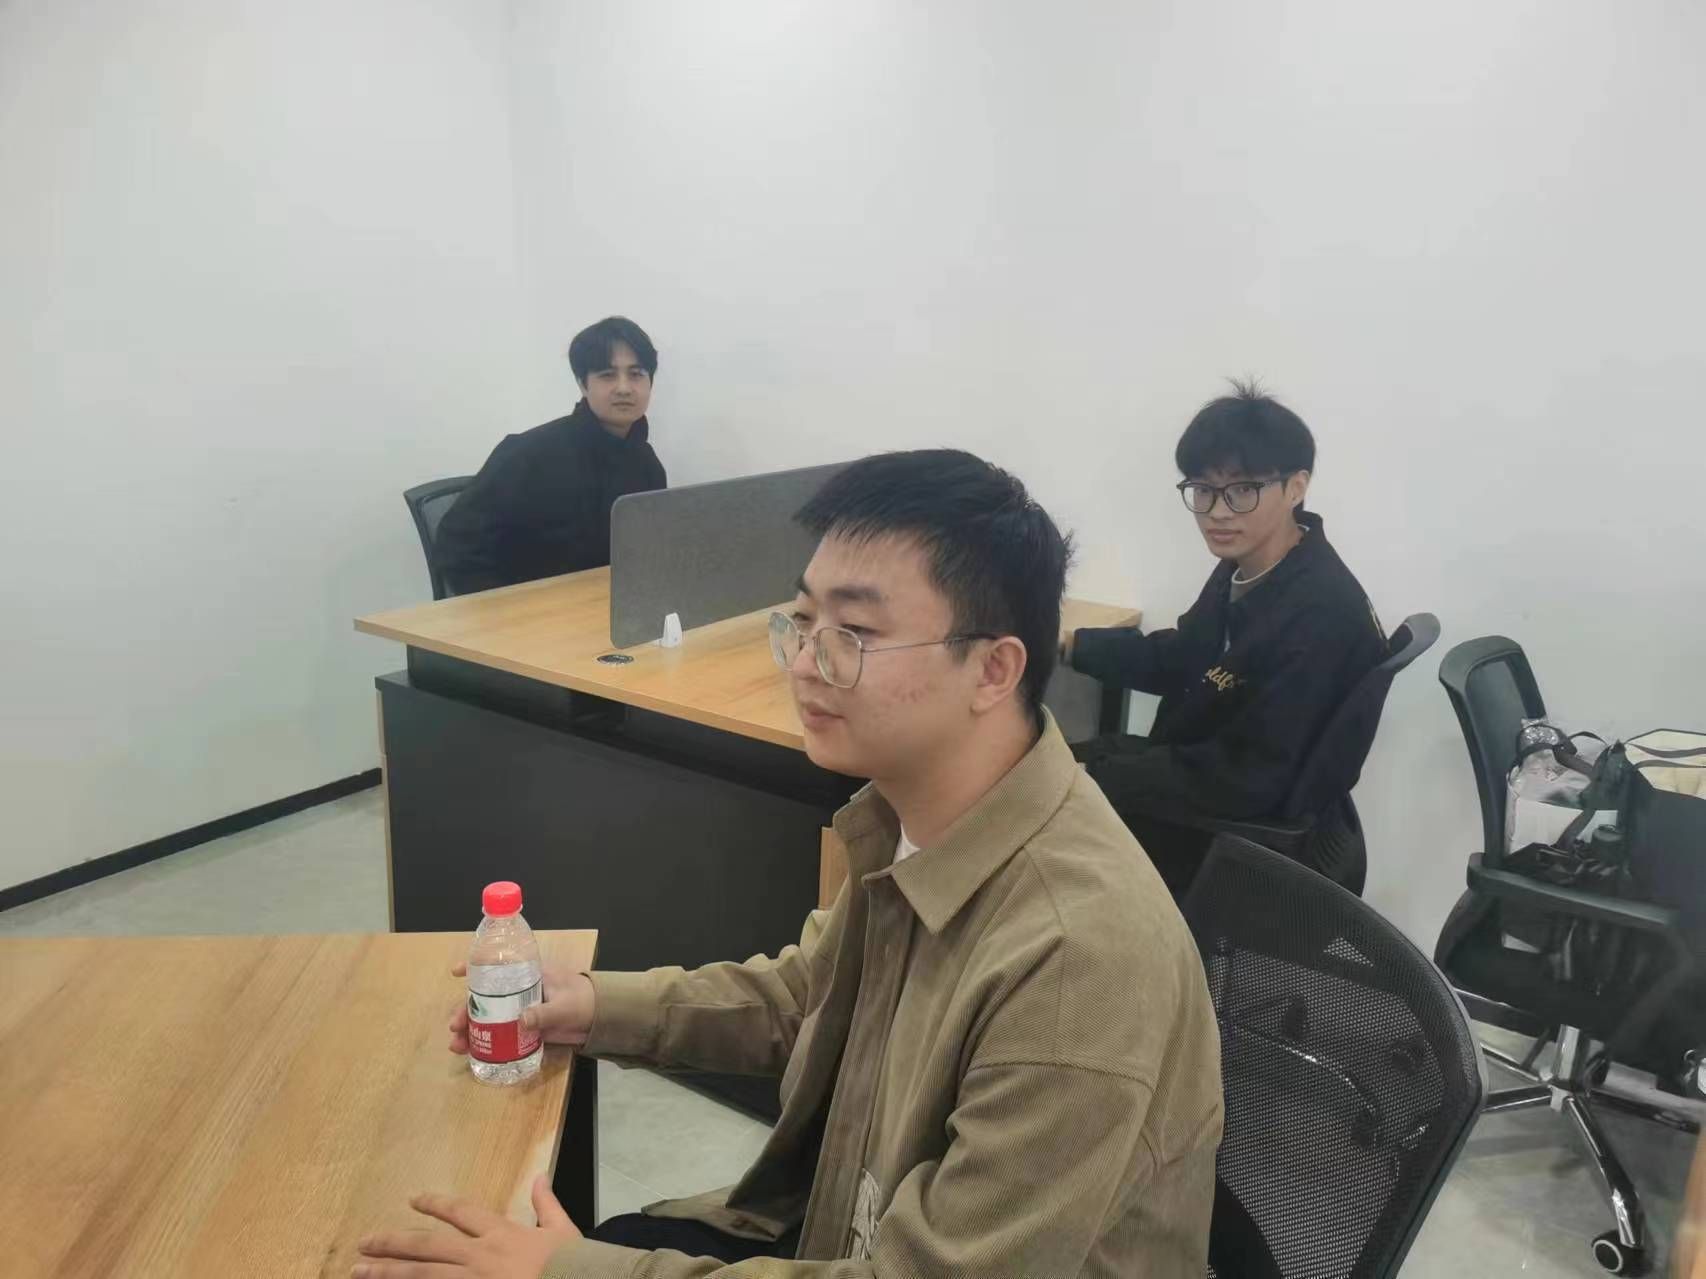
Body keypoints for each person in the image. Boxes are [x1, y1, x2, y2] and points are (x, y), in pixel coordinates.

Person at [354, 450, 1223, 1278]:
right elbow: (809, 997)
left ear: (993, 669)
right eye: (803, 622)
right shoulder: (917, 814)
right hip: (831, 1226)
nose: (804, 664)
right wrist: (594, 1005)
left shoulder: (1077, 958)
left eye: (854, 632)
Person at [1065, 380, 1385, 898]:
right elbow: (1184, 656)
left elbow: (1251, 775)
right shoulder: (1253, 564)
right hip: (1207, 783)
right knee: (1041, 763)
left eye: (1242, 490)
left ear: (1296, 487)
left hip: (1234, 840)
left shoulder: (1321, 614)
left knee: (1035, 788)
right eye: (1203, 490)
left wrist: (1099, 773)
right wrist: (1073, 644)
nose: (1217, 511)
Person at [434, 317, 667, 595]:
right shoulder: (528, 454)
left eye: (636, 374)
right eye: (607, 375)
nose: (624, 388)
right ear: (583, 384)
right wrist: (506, 607)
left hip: (605, 608)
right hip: (530, 611)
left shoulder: (646, 464)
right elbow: (456, 543)